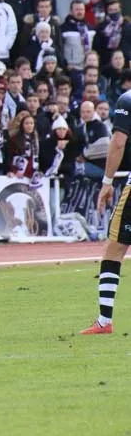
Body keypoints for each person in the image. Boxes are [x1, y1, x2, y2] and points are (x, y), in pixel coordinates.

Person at [83, 89, 131, 334]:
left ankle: (104, 320)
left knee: (115, 249)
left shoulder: (127, 99)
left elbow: (119, 142)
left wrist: (107, 181)